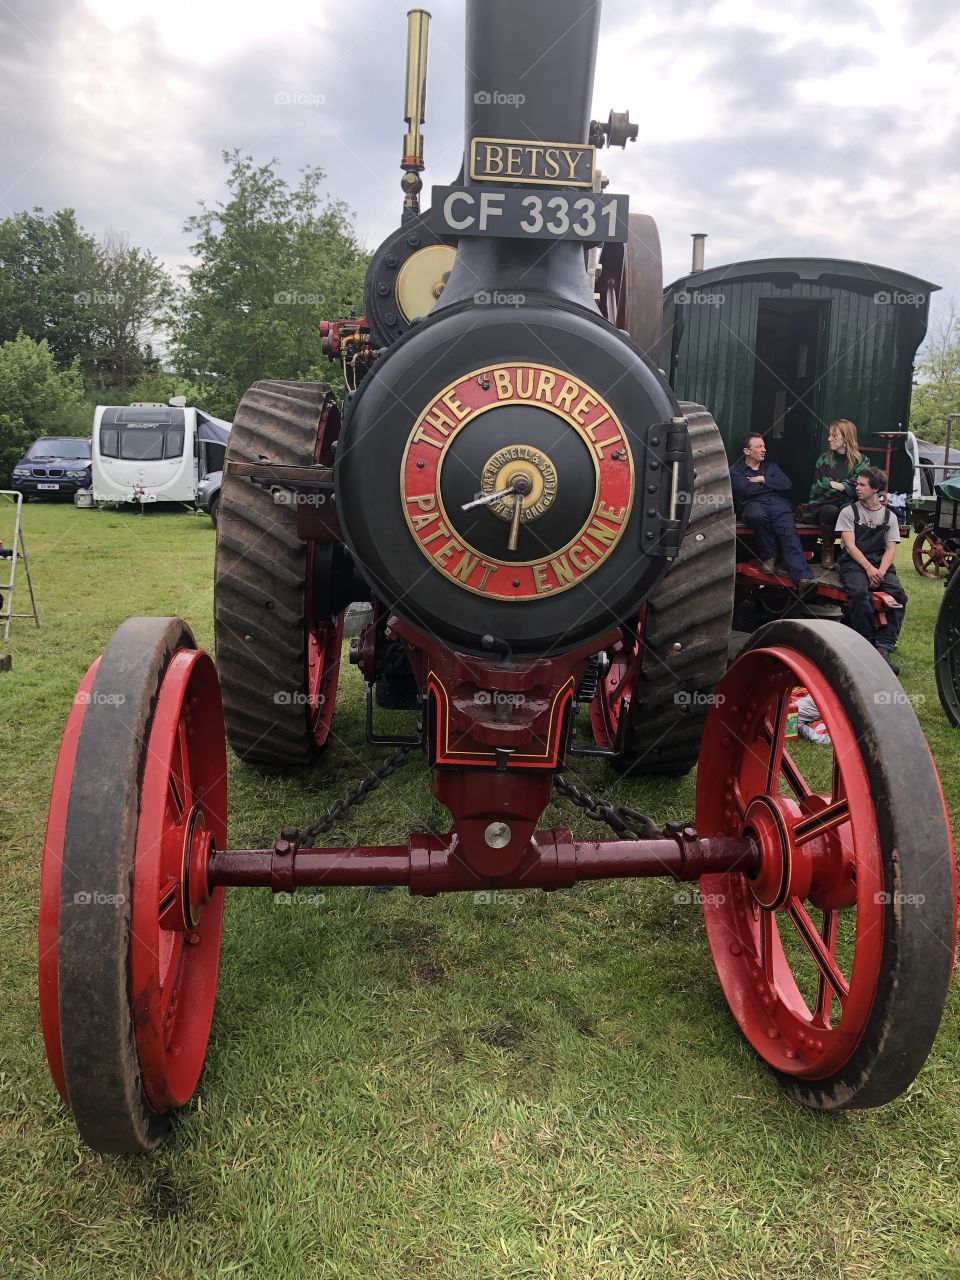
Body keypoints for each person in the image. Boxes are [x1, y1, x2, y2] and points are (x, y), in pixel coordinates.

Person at [836, 466, 907, 673]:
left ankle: (884, 647)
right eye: (857, 484)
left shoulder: (889, 516)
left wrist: (881, 572)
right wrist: (868, 569)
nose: (857, 488)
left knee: (898, 595)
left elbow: (890, 548)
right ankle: (864, 642)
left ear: (875, 489)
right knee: (859, 594)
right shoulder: (849, 512)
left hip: (879, 564)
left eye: (862, 485)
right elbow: (849, 545)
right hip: (854, 563)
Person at [729, 433, 816, 593]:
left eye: (764, 446)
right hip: (752, 504)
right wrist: (772, 485)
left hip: (777, 504)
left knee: (789, 533)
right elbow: (745, 491)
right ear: (747, 451)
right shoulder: (736, 470)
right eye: (759, 447)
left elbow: (786, 484)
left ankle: (803, 578)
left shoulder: (771, 467)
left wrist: (763, 480)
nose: (764, 450)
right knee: (756, 515)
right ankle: (769, 556)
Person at [808, 419, 867, 569]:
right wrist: (847, 487)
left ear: (846, 438)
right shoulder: (823, 460)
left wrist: (839, 486)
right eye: (829, 435)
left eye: (834, 436)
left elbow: (861, 486)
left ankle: (848, 553)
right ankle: (827, 551)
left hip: (847, 506)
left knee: (847, 508)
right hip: (823, 506)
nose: (829, 439)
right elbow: (819, 488)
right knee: (831, 510)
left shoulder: (861, 461)